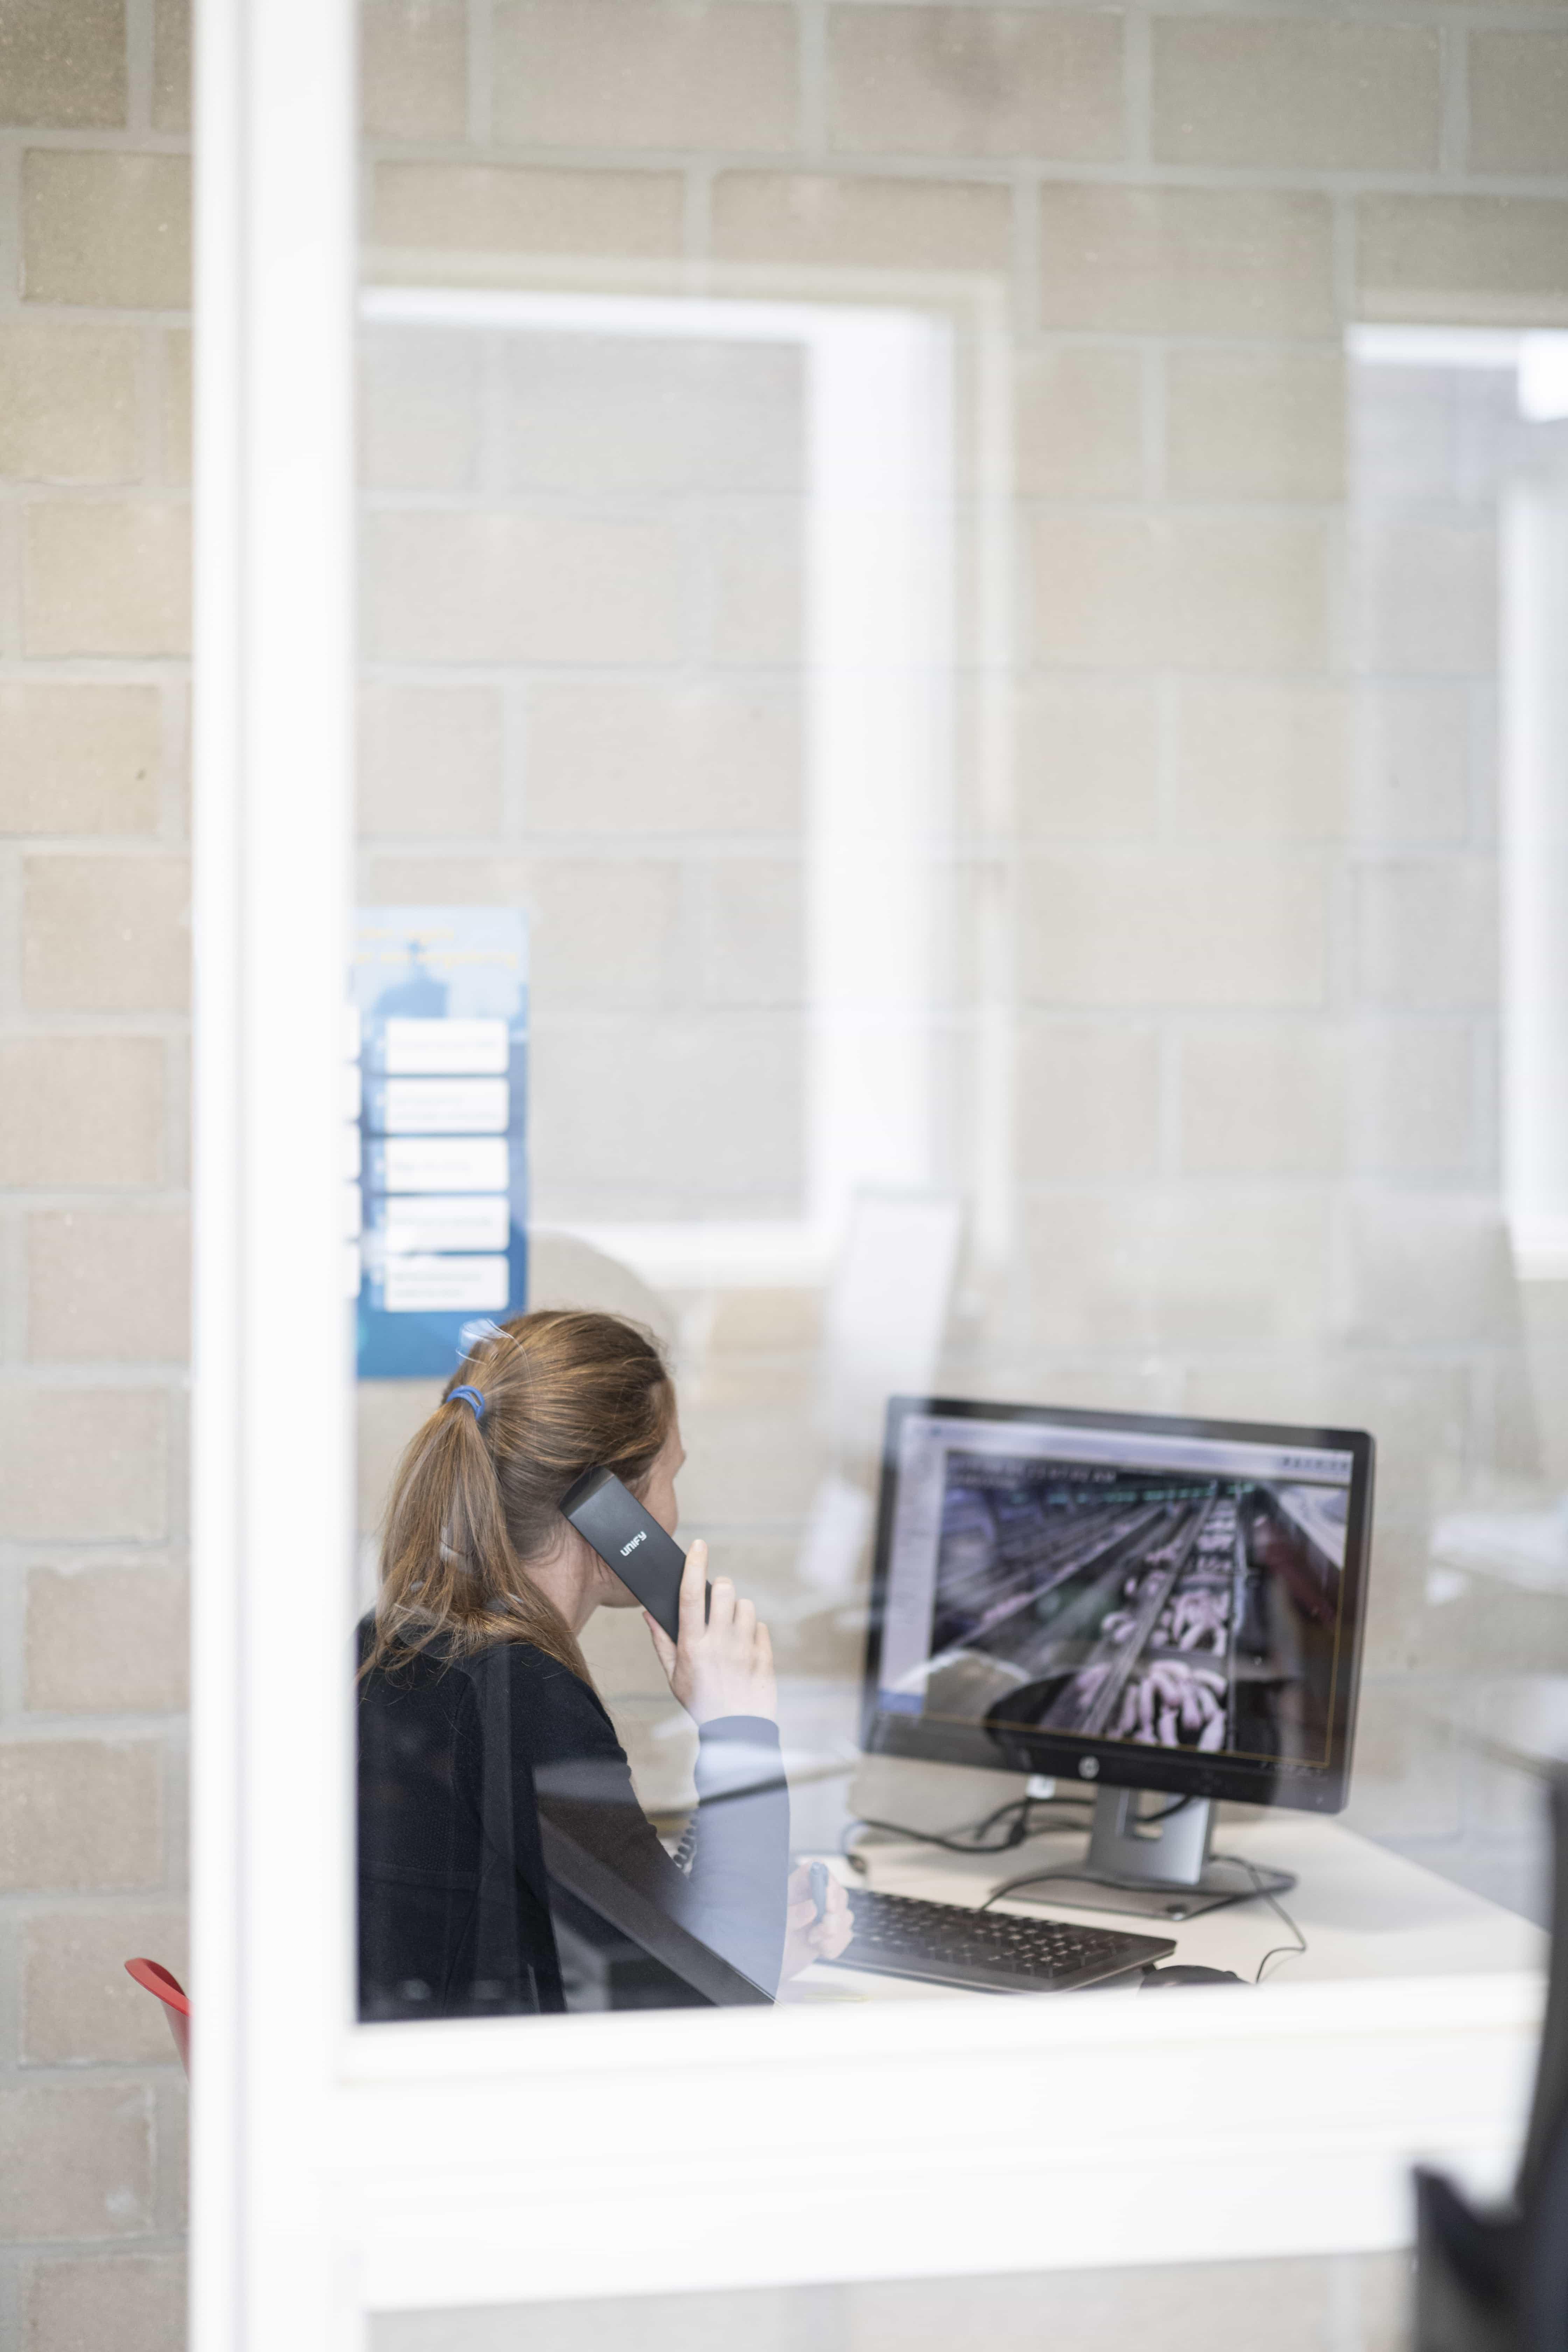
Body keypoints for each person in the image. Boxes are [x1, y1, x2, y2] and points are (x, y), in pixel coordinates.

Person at [357, 1308, 853, 2019]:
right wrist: (737, 1727)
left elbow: (640, 1947)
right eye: (671, 1475)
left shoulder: (395, 1642)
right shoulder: (525, 1694)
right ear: (611, 1510)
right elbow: (710, 2003)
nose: (676, 1510)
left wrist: (749, 1930)